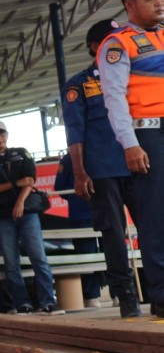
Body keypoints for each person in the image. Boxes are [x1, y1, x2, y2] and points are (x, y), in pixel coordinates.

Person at [62, 18, 142, 318]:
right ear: (96, 47)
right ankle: (126, 296)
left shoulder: (134, 73)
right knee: (113, 234)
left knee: (153, 228)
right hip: (102, 170)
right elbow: (75, 132)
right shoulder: (78, 85)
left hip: (139, 163)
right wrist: (81, 173)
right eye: (112, 38)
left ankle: (157, 288)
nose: (118, 42)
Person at [96, 0, 164, 319]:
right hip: (148, 135)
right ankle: (162, 295)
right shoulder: (117, 44)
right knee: (156, 216)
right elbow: (114, 98)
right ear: (130, 4)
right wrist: (130, 144)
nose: (159, 3)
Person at [0, 121, 64, 316]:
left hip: (27, 212)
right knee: (11, 262)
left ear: (7, 134)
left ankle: (48, 301)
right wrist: (15, 183)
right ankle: (22, 304)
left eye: (2, 134)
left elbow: (29, 181)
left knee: (38, 257)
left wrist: (20, 201)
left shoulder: (21, 152)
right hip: (1, 215)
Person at [54, 153, 103, 309]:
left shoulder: (99, 153)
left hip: (104, 209)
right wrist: (78, 195)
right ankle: (91, 295)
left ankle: (118, 293)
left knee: (112, 250)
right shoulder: (69, 159)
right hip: (80, 215)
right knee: (86, 256)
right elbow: (59, 188)